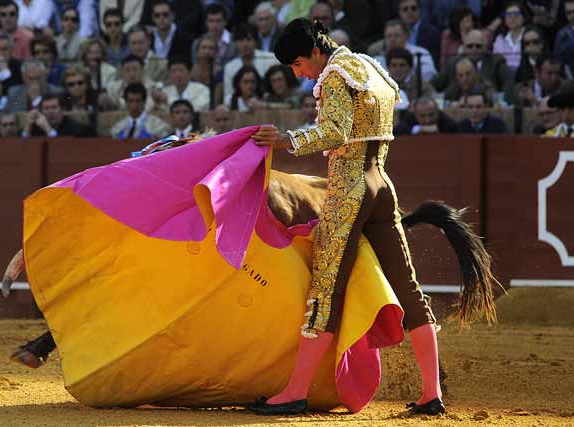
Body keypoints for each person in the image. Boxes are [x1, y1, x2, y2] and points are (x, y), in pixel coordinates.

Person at [250, 17, 445, 416]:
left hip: (350, 188)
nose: (300, 74)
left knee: (325, 290)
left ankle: (296, 391)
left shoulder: (335, 74)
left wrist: (289, 140)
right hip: (381, 184)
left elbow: (335, 132)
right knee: (407, 287)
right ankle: (432, 392)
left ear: (315, 52)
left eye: (299, 65)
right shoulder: (369, 68)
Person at [222, 24, 278, 105]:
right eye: (241, 40)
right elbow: (228, 95)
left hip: (268, 105)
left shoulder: (271, 59)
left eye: (249, 39)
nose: (245, 44)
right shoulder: (229, 67)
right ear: (236, 43)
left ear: (255, 41)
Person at [23, 93, 97, 137]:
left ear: (62, 110)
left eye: (54, 107)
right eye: (46, 108)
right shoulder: (37, 127)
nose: (50, 111)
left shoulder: (74, 128)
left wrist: (48, 130)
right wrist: (27, 127)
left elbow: (62, 149)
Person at [492, 1, 528, 70]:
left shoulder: (530, 35)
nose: (512, 17)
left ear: (523, 17)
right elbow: (497, 64)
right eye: (508, 15)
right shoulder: (500, 39)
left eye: (516, 14)